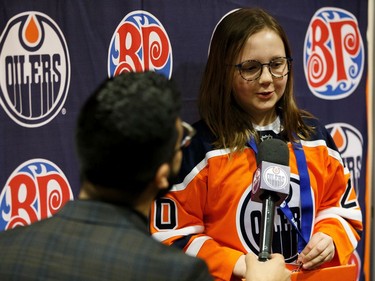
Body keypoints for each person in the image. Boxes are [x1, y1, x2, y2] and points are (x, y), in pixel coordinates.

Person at [149, 8, 363, 281]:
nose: (266, 79)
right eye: (250, 68)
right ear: (223, 72)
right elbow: (170, 235)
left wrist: (329, 237)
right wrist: (241, 265)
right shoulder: (200, 148)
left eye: (277, 64)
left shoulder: (314, 137)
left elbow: (343, 210)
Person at [0, 71, 213, 281]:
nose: (185, 145)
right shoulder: (178, 273)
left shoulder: (6, 249)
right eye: (181, 143)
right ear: (162, 175)